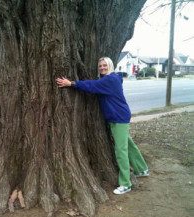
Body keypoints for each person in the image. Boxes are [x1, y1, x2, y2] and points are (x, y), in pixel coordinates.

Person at [56, 57, 149, 195]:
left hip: (118, 118)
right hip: (119, 116)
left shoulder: (110, 79)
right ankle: (142, 169)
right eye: (100, 66)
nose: (102, 67)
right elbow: (96, 84)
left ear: (110, 66)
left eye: (105, 65)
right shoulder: (110, 79)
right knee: (127, 144)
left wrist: (71, 83)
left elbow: (91, 86)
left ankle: (126, 184)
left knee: (120, 150)